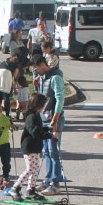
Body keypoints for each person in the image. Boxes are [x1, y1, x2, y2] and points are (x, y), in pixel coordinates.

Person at [32, 55, 67, 196]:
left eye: (36, 68)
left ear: (42, 64)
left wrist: (56, 118)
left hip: (54, 119)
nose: (35, 71)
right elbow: (40, 98)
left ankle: (55, 183)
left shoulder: (55, 77)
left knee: (54, 151)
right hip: (43, 118)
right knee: (46, 151)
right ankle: (47, 179)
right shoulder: (41, 78)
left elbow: (60, 98)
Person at [11, 94, 50, 202]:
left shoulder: (36, 114)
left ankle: (30, 190)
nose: (44, 106)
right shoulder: (31, 116)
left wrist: (47, 129)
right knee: (30, 169)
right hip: (29, 147)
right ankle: (15, 188)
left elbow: (39, 129)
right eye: (44, 104)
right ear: (39, 105)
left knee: (35, 169)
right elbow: (35, 132)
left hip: (35, 146)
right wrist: (48, 135)